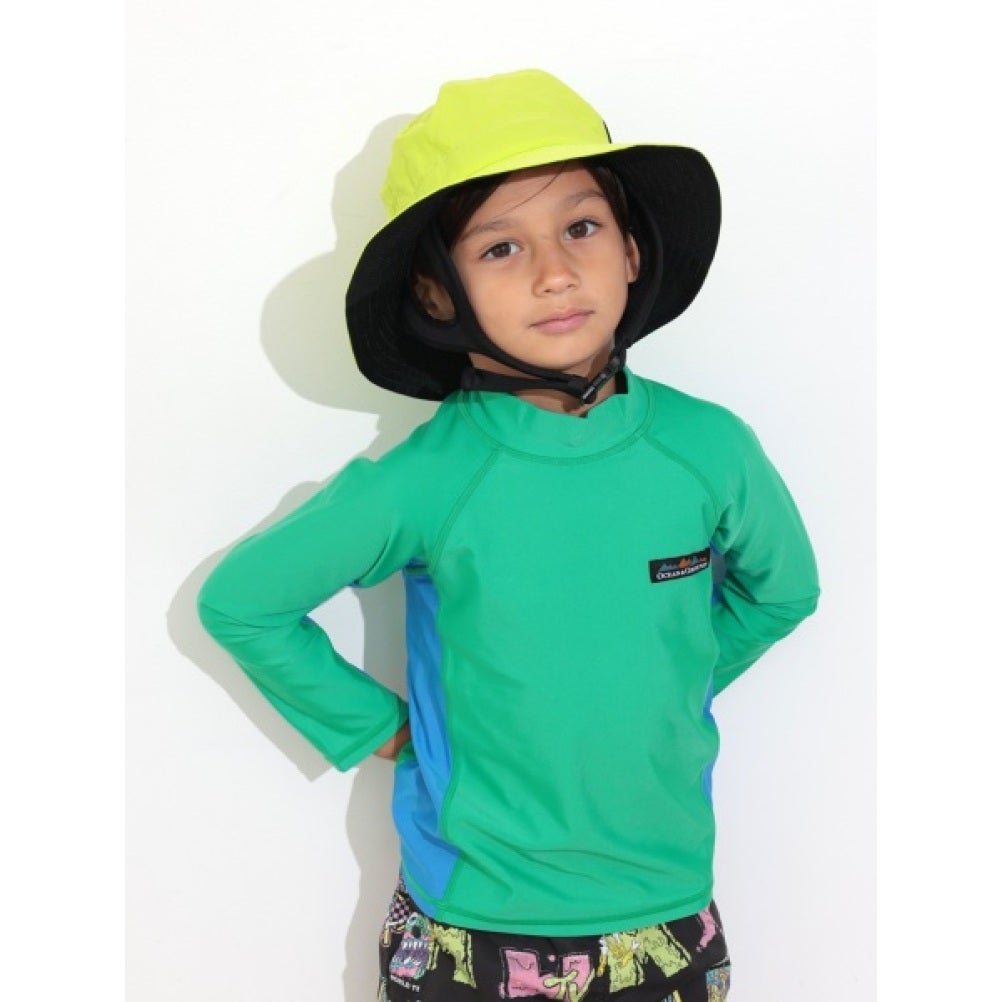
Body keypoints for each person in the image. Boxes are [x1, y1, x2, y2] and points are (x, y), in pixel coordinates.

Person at [197, 68, 820, 1002]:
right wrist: (385, 730)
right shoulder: (429, 475)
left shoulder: (708, 449)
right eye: (499, 247)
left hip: (666, 911)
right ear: (437, 294)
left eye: (581, 227)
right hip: (467, 925)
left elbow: (785, 589)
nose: (554, 272)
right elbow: (243, 603)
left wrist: (671, 677)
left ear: (633, 250)